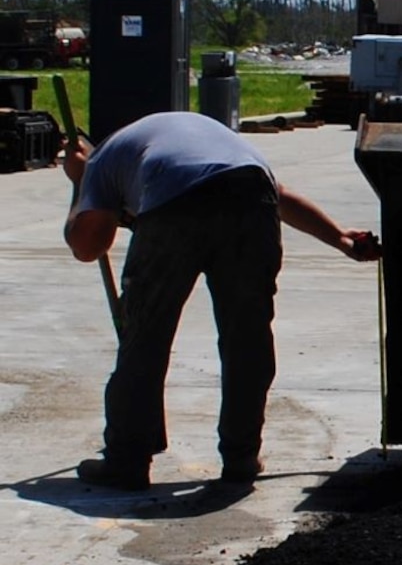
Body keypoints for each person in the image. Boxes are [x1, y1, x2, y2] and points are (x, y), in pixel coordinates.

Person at [63, 109, 381, 491]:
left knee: (145, 336)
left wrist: (80, 185)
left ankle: (127, 460)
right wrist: (340, 237)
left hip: (173, 201)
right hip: (250, 192)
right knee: (247, 336)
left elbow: (87, 246)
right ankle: (241, 455)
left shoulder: (101, 162)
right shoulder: (187, 136)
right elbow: (276, 194)